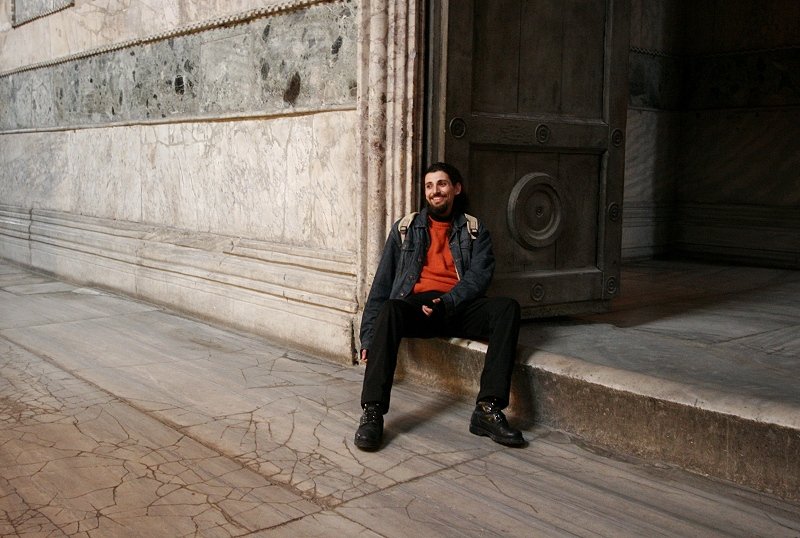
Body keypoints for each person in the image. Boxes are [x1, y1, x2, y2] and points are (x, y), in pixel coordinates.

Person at [354, 162, 524, 450]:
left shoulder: (474, 229)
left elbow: (479, 278)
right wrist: (368, 335)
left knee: (507, 308)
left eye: (442, 184)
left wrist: (447, 302)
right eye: (429, 186)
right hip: (418, 309)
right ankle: (372, 413)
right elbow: (381, 286)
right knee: (390, 309)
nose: (435, 191)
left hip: (457, 305)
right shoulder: (406, 228)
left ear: (456, 189)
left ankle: (487, 410)